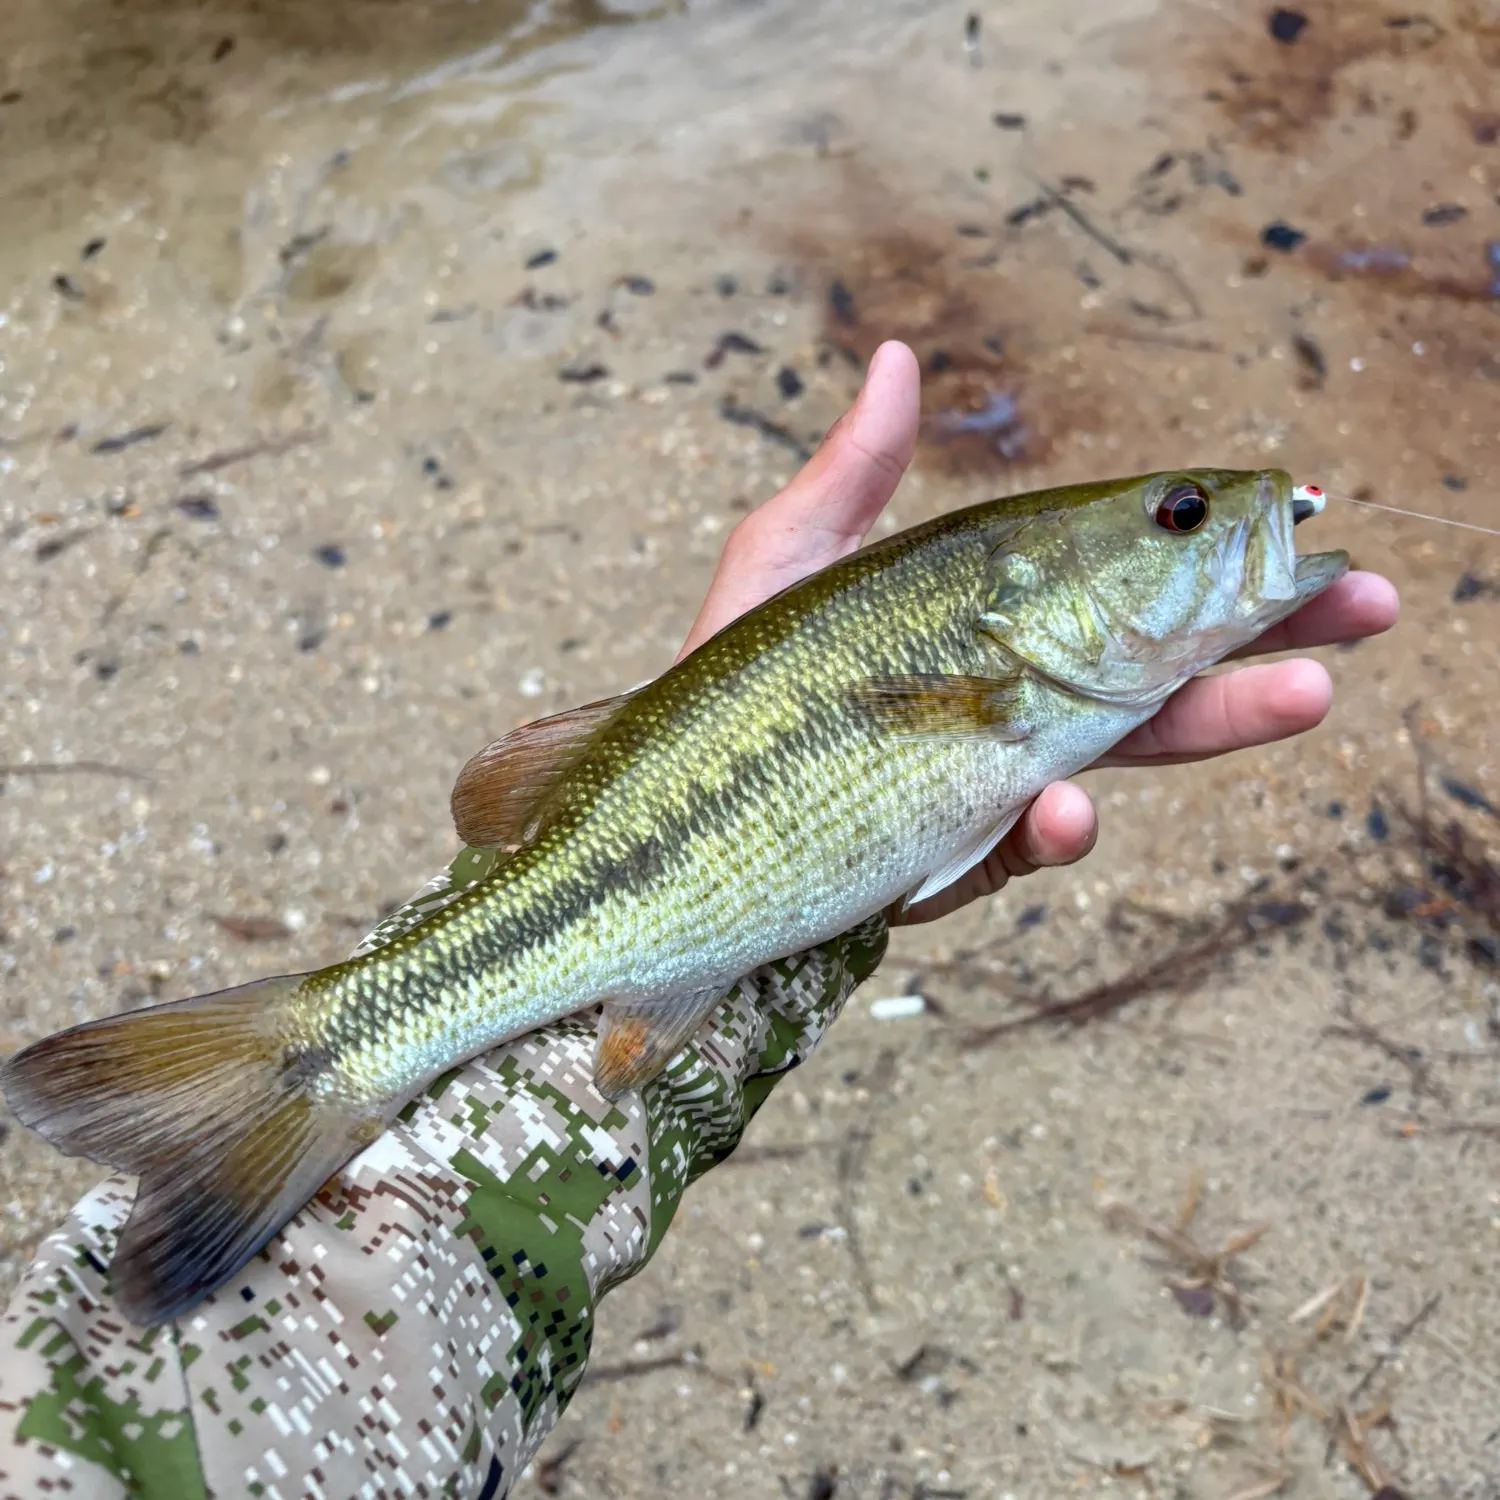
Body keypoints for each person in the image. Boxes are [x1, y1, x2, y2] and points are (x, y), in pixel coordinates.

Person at [0, 343, 1398, 1500]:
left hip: (685, 898)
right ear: (1034, 594)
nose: (1225, 517)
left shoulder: (1027, 666)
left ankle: (327, 1059)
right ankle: (323, 1055)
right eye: (1178, 519)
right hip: (660, 893)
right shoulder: (1004, 664)